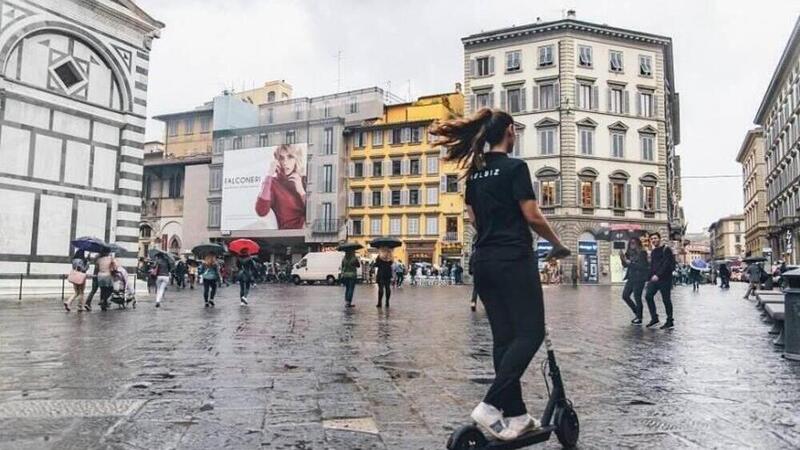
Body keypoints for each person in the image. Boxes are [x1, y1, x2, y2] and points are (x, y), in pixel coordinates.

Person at [432, 107, 571, 441]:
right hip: (513, 258)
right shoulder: (515, 167)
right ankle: (491, 404)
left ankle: (518, 415)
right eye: (515, 129)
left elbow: (474, 219)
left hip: (484, 261)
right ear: (509, 131)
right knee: (531, 333)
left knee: (504, 339)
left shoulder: (474, 175)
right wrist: (558, 244)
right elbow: (532, 215)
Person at [254, 144, 306, 229]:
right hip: (288, 232)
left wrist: (301, 191)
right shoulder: (273, 183)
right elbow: (261, 211)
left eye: (290, 157)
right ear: (277, 161)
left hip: (307, 230)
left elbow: (314, 214)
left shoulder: (304, 180)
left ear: (297, 159)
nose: (285, 162)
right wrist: (269, 174)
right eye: (281, 158)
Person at [644, 232, 676, 329]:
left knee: (666, 300)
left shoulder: (666, 249)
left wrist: (658, 275)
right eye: (652, 239)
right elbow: (652, 266)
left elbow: (666, 264)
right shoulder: (653, 252)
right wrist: (648, 278)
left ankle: (670, 321)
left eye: (655, 238)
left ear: (659, 239)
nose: (653, 240)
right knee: (648, 296)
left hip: (665, 279)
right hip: (654, 279)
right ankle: (654, 318)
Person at [620, 237, 649, 324]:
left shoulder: (642, 253)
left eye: (634, 243)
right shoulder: (629, 253)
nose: (632, 244)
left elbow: (643, 267)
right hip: (631, 277)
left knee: (637, 298)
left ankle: (639, 318)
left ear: (638, 243)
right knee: (625, 296)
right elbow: (625, 265)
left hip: (639, 278)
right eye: (630, 243)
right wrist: (622, 258)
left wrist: (631, 263)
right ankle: (637, 312)